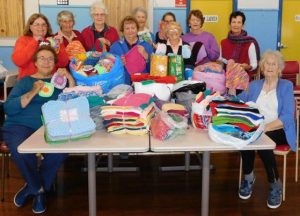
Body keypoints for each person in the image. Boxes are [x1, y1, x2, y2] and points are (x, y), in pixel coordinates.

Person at [2, 46, 75, 214]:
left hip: (51, 126)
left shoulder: (59, 83)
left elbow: (73, 101)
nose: (46, 61)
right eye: (42, 58)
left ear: (55, 63)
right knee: (21, 150)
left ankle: (32, 187)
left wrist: (70, 78)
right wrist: (34, 90)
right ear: (35, 62)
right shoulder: (25, 81)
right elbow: (9, 108)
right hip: (19, 125)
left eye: (50, 59)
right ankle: (39, 190)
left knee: (61, 150)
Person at [237, 50, 296, 209]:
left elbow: (288, 116)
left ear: (279, 68)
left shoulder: (286, 85)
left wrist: (265, 128)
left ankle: (275, 183)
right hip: (257, 128)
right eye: (267, 63)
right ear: (262, 67)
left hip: (279, 128)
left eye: (273, 64)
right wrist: (227, 93)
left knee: (262, 140)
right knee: (245, 137)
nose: (269, 66)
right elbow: (238, 100)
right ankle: (249, 177)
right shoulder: (254, 85)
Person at [12, 13, 69, 80]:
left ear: (47, 27)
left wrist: (60, 45)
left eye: (43, 25)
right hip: (28, 81)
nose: (41, 27)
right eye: (37, 24)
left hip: (50, 81)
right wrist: (34, 41)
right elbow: (18, 61)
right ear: (30, 27)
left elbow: (62, 63)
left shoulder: (52, 41)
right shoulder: (23, 40)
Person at [110, 16, 153, 84]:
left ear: (137, 29)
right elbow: (110, 70)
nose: (130, 31)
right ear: (123, 31)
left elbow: (153, 70)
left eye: (133, 28)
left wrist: (147, 57)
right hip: (123, 85)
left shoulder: (146, 46)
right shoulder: (115, 47)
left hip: (142, 84)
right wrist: (119, 64)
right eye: (127, 28)